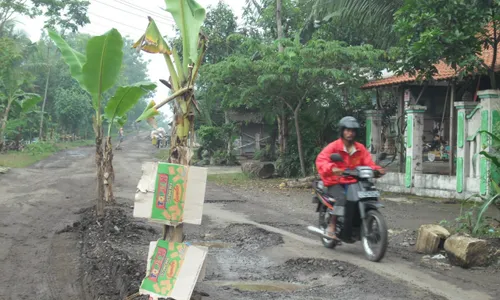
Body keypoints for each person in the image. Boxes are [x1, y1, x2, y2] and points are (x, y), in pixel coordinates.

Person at [315, 116, 385, 240]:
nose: (350, 133)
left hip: (354, 181)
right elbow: (321, 160)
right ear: (342, 131)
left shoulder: (360, 148)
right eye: (347, 130)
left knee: (370, 194)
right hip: (335, 181)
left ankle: (364, 224)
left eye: (352, 131)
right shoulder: (334, 147)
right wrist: (333, 168)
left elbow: (369, 163)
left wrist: (377, 170)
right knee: (342, 198)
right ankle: (332, 225)